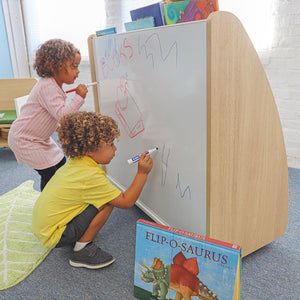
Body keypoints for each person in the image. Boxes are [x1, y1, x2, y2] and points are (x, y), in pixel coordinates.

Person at [32, 111, 153, 269]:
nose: (115, 148)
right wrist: (142, 173)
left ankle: (76, 238)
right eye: (110, 144)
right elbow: (126, 202)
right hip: (55, 234)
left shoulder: (76, 161)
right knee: (107, 203)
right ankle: (81, 251)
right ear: (90, 150)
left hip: (43, 226)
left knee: (100, 198)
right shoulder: (90, 176)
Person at [8, 39, 88, 191]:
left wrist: (55, 126)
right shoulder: (48, 86)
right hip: (25, 139)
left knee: (60, 163)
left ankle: (59, 197)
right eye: (73, 66)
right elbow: (63, 115)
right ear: (54, 66)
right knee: (49, 173)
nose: (77, 71)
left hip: (38, 138)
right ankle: (49, 205)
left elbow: (49, 112)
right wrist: (79, 97)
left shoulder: (52, 85)